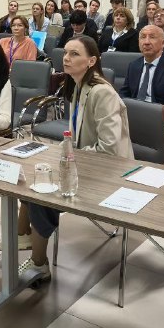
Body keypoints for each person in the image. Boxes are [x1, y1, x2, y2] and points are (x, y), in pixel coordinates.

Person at [19, 35, 134, 282]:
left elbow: (110, 149)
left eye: (74, 54)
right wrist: (63, 153)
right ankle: (24, 236)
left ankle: (39, 264)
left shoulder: (102, 92)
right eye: (65, 53)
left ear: (91, 61)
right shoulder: (78, 86)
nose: (66, 58)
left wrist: (69, 157)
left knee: (42, 192)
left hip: (107, 171)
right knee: (32, 175)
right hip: (84, 163)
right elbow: (76, 136)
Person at [119, 24, 164, 112]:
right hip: (133, 113)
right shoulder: (134, 65)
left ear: (163, 43)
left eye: (152, 37)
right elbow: (124, 94)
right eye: (143, 37)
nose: (146, 42)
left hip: (158, 115)